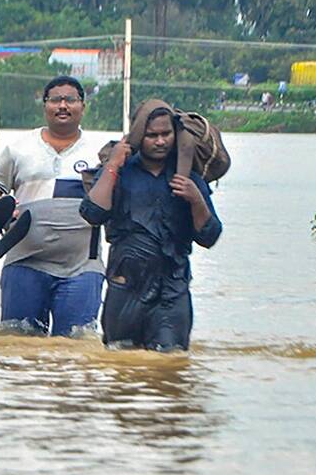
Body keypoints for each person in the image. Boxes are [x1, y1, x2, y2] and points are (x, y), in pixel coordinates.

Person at [80, 99, 223, 351]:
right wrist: (113, 164)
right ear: (138, 136)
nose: (160, 141)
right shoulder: (121, 172)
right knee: (119, 361)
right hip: (125, 287)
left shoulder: (188, 177)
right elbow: (92, 213)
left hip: (173, 289)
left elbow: (209, 237)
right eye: (151, 135)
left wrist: (196, 200)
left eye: (166, 134)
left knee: (171, 359)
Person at [0, 75, 106, 337]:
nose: (62, 106)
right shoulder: (20, 148)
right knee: (17, 343)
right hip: (25, 261)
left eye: (70, 100)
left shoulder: (100, 152)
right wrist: (1, 207)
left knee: (76, 345)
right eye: (55, 100)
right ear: (45, 105)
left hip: (81, 266)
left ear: (83, 106)